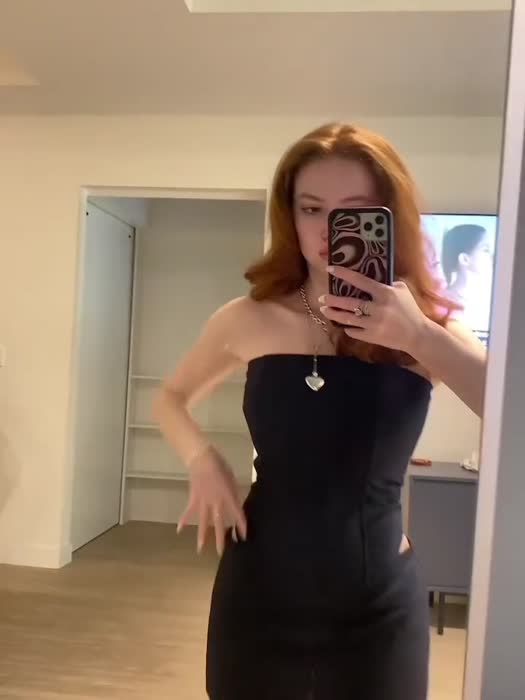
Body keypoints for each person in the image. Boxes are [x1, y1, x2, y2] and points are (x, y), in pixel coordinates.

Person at [154, 122, 487, 700]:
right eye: (312, 208)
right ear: (290, 215)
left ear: (387, 215)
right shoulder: (248, 318)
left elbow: (510, 417)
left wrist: (418, 336)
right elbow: (169, 398)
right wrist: (202, 459)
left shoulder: (426, 326)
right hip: (259, 594)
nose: (330, 227)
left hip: (377, 605)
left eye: (354, 210)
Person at [441, 223, 494, 332]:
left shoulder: (489, 300)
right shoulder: (442, 304)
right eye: (486, 250)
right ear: (465, 259)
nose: (492, 256)